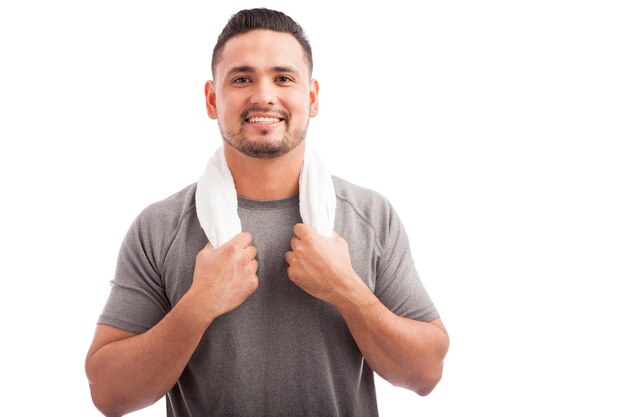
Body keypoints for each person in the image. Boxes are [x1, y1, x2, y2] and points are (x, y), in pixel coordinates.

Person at [85, 8, 449, 417]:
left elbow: (425, 373)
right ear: (212, 98)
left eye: (283, 78)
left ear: (311, 99)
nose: (263, 95)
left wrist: (347, 290)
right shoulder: (160, 227)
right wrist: (198, 305)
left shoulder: (370, 215)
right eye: (242, 78)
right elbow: (109, 394)